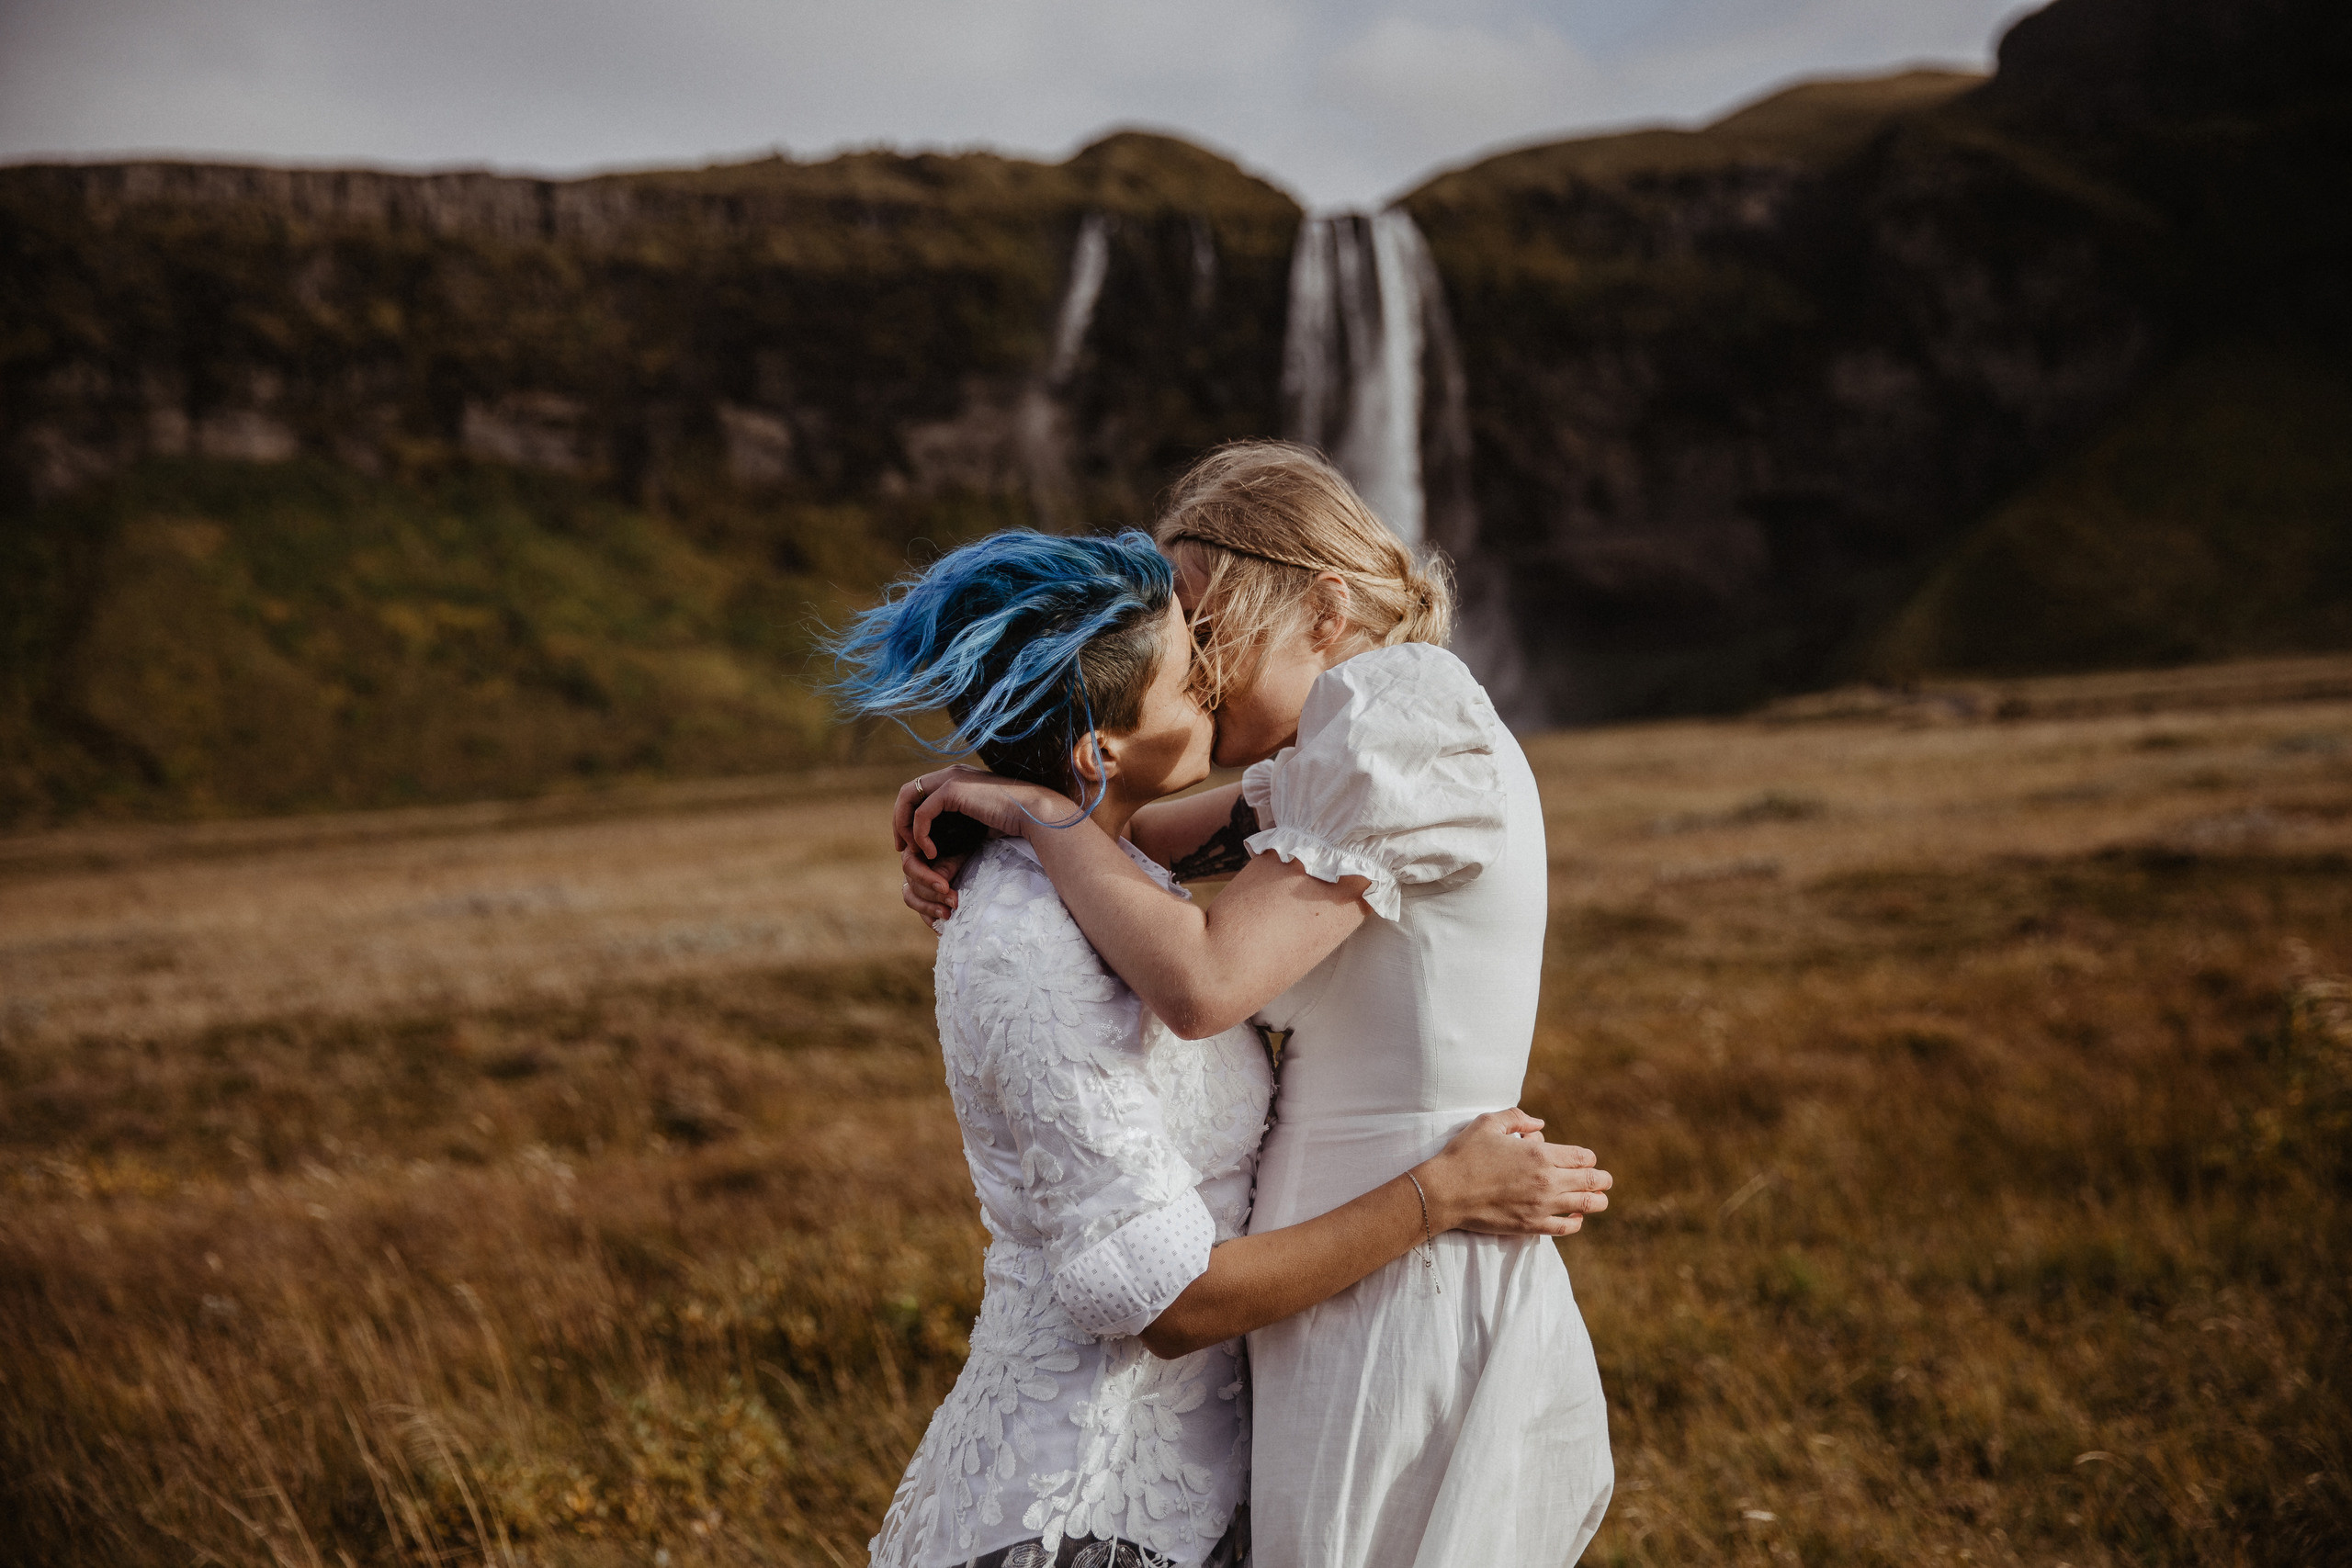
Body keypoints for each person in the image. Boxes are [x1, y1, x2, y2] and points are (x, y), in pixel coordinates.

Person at [897, 444, 1615, 1568]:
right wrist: (1022, 793)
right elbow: (1139, 848)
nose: (1206, 674)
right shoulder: (1348, 747)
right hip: (1334, 1270)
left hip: (1405, 1253)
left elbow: (1202, 981)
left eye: (1214, 635)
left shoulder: (1399, 713)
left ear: (1325, 610)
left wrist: (1035, 811)